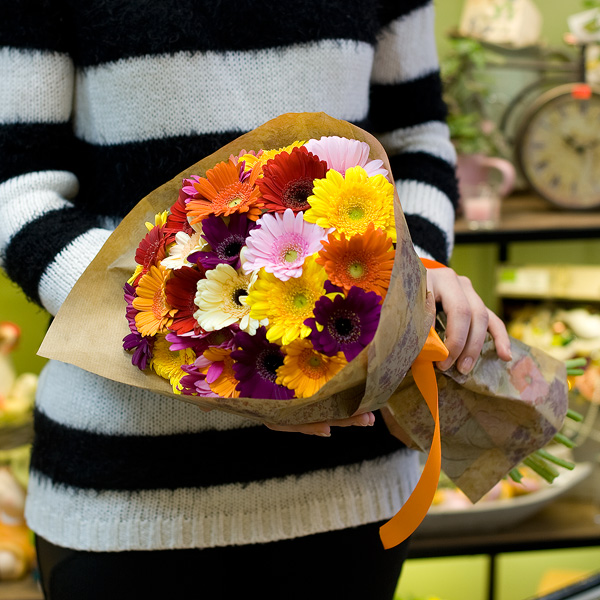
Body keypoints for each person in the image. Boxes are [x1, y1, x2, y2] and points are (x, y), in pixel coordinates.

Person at [0, 1, 511, 598]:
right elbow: (17, 187)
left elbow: (416, 141)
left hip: (351, 486)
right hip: (127, 484)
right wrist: (202, 338)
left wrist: (411, 267)